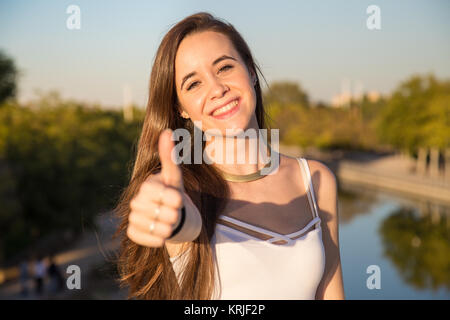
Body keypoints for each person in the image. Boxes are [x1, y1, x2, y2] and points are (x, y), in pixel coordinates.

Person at [114, 12, 344, 300]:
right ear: (181, 108)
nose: (217, 89)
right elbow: (185, 224)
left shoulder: (316, 179)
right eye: (193, 84)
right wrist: (168, 216)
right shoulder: (188, 191)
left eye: (224, 67)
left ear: (250, 71)